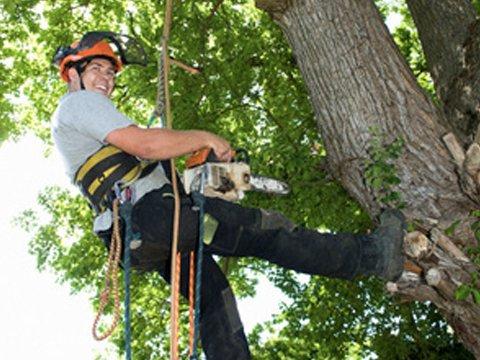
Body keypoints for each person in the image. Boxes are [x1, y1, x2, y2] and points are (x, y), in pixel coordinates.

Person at [51, 32, 406, 360]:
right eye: (96, 68)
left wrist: (227, 180)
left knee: (215, 303)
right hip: (159, 219)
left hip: (153, 235)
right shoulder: (79, 105)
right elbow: (147, 144)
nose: (106, 79)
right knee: (269, 233)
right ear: (73, 74)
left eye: (111, 74)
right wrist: (207, 138)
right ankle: (375, 256)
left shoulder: (92, 127)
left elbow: (169, 180)